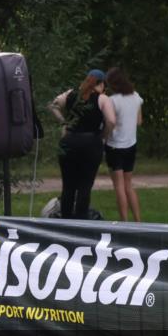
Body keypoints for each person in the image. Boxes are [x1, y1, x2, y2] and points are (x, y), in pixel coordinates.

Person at [49, 69, 116, 219]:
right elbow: (111, 121)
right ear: (101, 84)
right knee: (85, 185)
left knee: (68, 186)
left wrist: (64, 122)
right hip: (90, 143)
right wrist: (103, 135)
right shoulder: (102, 99)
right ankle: (81, 220)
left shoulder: (71, 94)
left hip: (69, 141)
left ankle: (65, 221)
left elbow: (53, 105)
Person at [105, 67, 143, 222]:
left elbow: (110, 122)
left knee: (119, 186)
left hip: (114, 146)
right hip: (131, 145)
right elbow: (139, 121)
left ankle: (124, 222)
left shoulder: (112, 100)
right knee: (129, 185)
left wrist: (104, 136)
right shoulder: (136, 97)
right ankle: (138, 222)